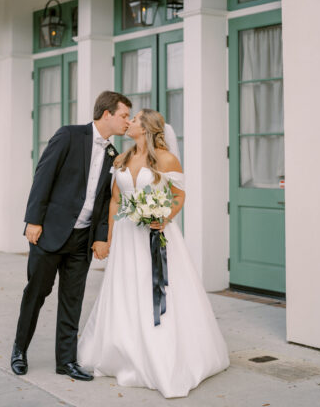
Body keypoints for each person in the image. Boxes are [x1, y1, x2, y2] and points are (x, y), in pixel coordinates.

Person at [78, 109, 230, 398]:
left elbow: (178, 195)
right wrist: (106, 238)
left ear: (146, 127)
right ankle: (123, 351)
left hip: (156, 235)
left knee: (159, 290)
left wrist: (165, 216)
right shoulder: (121, 159)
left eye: (133, 119)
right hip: (126, 236)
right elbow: (115, 200)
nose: (128, 122)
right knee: (125, 290)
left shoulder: (166, 159)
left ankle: (163, 356)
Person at [11, 91, 132, 381]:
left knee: (72, 298)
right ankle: (19, 349)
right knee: (36, 292)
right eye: (125, 115)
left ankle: (65, 361)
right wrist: (33, 220)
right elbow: (44, 176)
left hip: (82, 239)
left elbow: (104, 200)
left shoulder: (114, 154)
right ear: (107, 114)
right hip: (50, 232)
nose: (128, 121)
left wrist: (101, 236)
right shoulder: (68, 135)